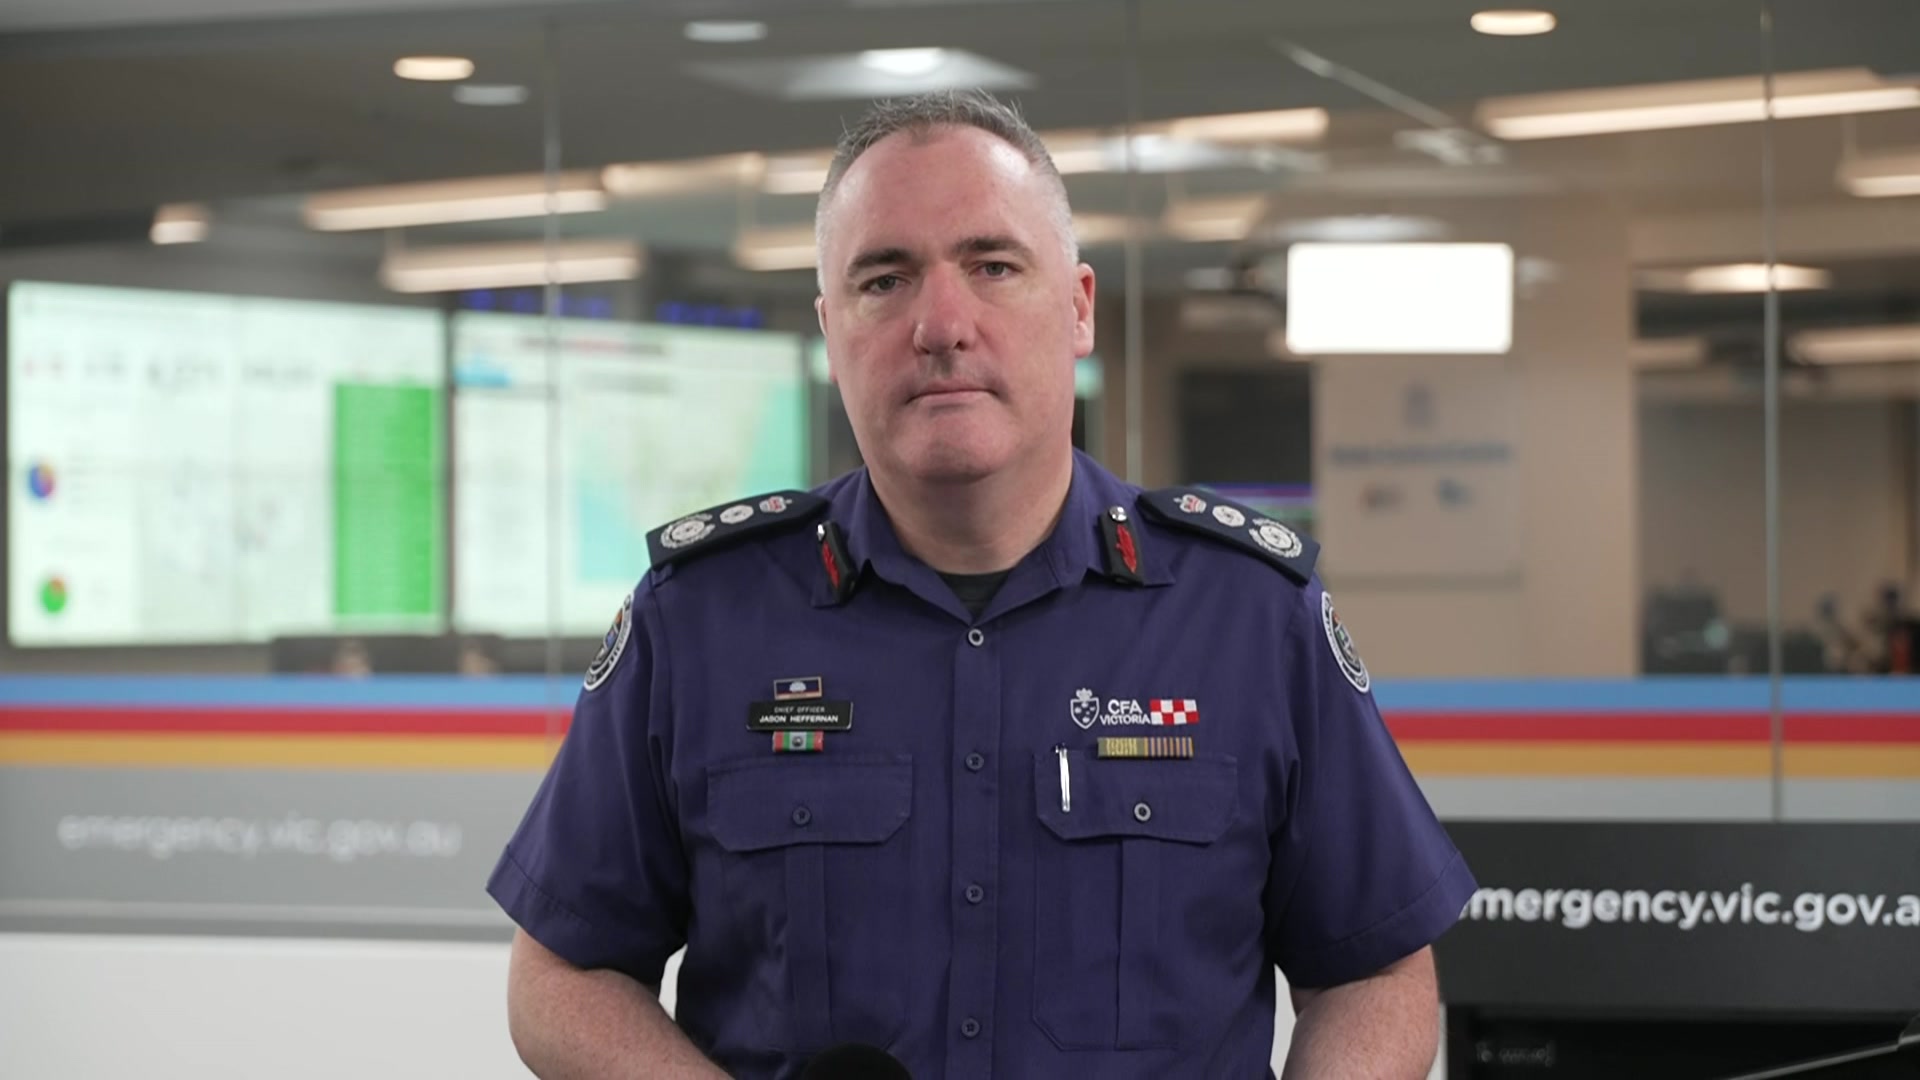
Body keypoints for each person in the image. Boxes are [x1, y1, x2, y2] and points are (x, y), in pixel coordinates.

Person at [488, 88, 1477, 1079]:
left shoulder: (1252, 619)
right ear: (833, 331)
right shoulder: (699, 619)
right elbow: (562, 977)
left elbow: (1375, 973)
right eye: (885, 279)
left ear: (1079, 307)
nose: (941, 323)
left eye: (993, 266)